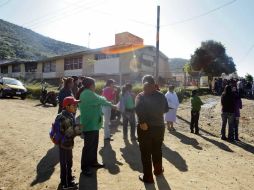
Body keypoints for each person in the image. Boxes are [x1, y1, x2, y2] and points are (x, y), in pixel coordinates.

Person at [79, 77, 117, 176]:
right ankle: (85, 167)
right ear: (91, 85)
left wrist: (103, 100)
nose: (95, 86)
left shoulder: (90, 93)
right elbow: (102, 100)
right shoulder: (87, 93)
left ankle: (93, 162)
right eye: (94, 84)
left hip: (94, 124)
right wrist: (113, 105)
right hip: (89, 124)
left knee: (94, 145)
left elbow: (101, 98)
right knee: (88, 147)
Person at [135, 75, 169, 184]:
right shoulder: (161, 95)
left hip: (146, 128)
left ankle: (148, 177)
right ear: (154, 83)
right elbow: (166, 109)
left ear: (143, 83)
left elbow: (139, 111)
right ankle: (158, 170)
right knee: (157, 149)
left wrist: (143, 122)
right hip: (159, 127)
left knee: (145, 153)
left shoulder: (140, 96)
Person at [57, 96, 80, 190]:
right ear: (67, 106)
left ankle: (68, 178)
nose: (76, 106)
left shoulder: (68, 115)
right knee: (66, 163)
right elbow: (69, 133)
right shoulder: (65, 118)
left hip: (65, 143)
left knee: (67, 162)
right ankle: (66, 184)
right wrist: (80, 129)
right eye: (74, 105)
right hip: (65, 144)